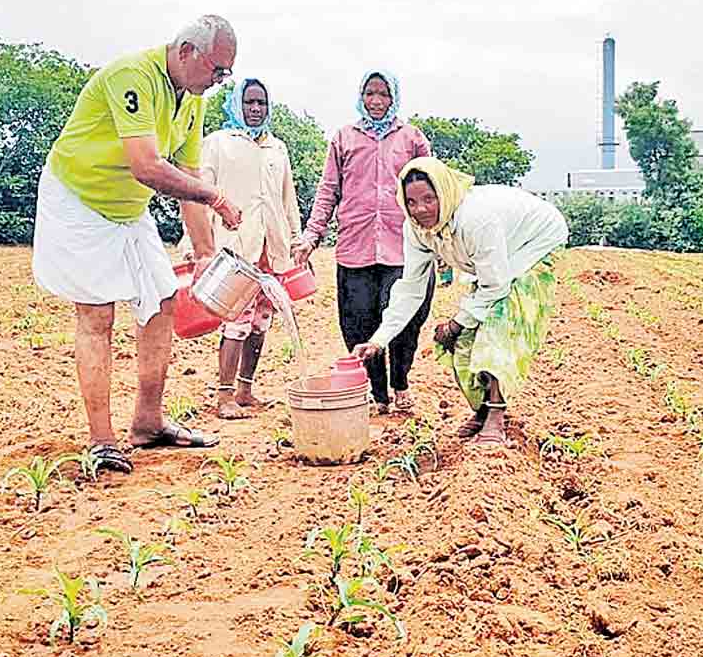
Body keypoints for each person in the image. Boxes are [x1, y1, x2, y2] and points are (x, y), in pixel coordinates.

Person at [32, 15, 241, 475]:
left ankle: (148, 422)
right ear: (186, 52)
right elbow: (147, 167)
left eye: (226, 73)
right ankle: (101, 440)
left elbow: (188, 177)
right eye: (217, 69)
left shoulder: (191, 100)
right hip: (81, 199)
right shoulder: (133, 76)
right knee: (97, 314)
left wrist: (206, 253)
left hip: (129, 208)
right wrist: (215, 197)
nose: (220, 80)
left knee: (163, 300)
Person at [352, 157, 569, 446]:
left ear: (444, 193)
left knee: (497, 326)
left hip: (535, 242)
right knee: (465, 339)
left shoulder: (476, 219)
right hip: (496, 261)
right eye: (411, 202)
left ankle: (496, 416)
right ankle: (482, 410)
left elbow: (495, 286)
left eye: (429, 199)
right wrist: (379, 340)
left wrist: (455, 323)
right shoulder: (415, 229)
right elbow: (411, 288)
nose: (420, 210)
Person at [291, 71, 433, 414]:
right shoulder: (344, 138)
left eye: (384, 94)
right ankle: (376, 394)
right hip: (355, 248)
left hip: (403, 249)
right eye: (370, 93)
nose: (376, 101)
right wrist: (311, 235)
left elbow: (432, 187)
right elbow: (328, 191)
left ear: (394, 98)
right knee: (358, 324)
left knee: (403, 320)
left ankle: (401, 384)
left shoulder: (412, 138)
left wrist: (438, 239)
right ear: (361, 96)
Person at [181, 78, 302, 419]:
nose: (255, 109)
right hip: (234, 249)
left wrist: (296, 239)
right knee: (235, 322)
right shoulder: (218, 144)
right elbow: (198, 195)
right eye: (249, 102)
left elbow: (287, 199)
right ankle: (224, 396)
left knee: (261, 321)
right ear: (236, 105)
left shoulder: (277, 148)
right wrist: (192, 242)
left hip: (270, 248)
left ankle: (245, 389)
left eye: (261, 103)